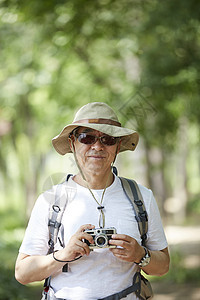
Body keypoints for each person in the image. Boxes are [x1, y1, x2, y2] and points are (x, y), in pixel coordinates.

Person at [15, 102, 170, 300]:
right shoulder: (51, 201)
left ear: (117, 146)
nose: (97, 146)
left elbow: (163, 265)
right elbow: (22, 273)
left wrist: (139, 254)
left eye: (108, 139)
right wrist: (63, 255)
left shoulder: (141, 197)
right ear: (72, 143)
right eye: (86, 138)